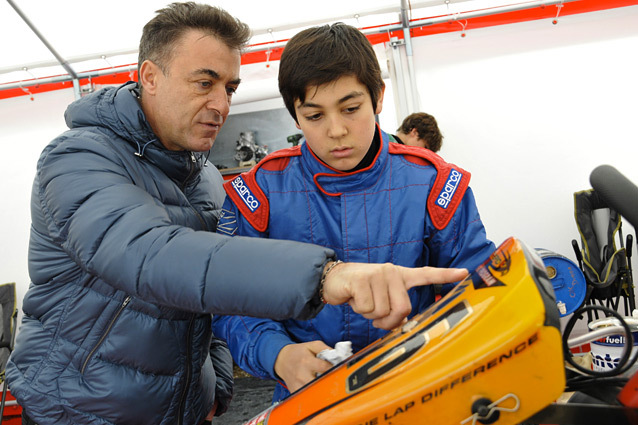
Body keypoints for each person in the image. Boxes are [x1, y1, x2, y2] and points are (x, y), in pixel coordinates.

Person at [5, 4, 469, 425]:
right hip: (79, 412)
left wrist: (217, 385)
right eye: (204, 83)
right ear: (149, 76)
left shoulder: (205, 176)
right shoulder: (77, 158)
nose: (222, 105)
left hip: (186, 410)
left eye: (229, 87)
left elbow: (216, 298)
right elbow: (152, 256)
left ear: (378, 98)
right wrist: (324, 280)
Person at [212, 23, 495, 403]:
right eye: (314, 116)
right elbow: (230, 300)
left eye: (351, 109)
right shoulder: (260, 192)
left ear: (378, 97)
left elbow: (479, 293)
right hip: (310, 399)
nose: (336, 130)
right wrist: (277, 355)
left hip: (422, 393)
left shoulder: (436, 184)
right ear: (295, 116)